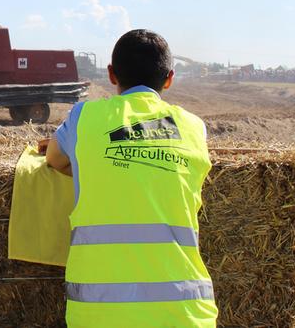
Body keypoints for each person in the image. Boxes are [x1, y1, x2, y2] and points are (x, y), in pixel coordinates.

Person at [46, 29, 218, 328]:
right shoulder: (194, 127)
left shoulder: (83, 117)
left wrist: (89, 161)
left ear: (111, 74)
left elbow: (54, 159)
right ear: (169, 78)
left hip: (99, 314)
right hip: (185, 313)